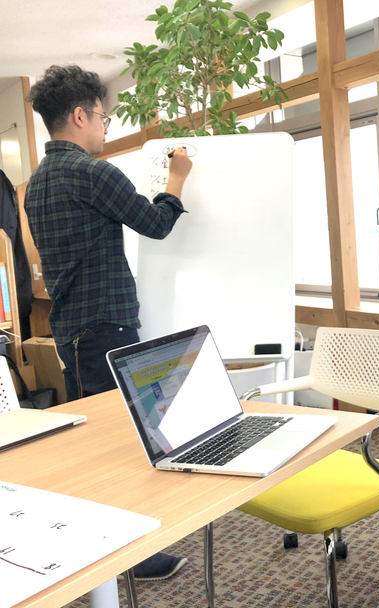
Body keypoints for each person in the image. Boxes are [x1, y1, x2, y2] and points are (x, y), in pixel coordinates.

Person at [26, 64, 193, 581]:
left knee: (97, 442)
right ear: (80, 115)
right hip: (105, 329)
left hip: (71, 330)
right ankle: (129, 558)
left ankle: (110, 546)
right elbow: (156, 224)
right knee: (121, 444)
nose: (105, 127)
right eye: (103, 117)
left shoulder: (35, 184)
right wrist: (176, 179)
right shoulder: (93, 174)